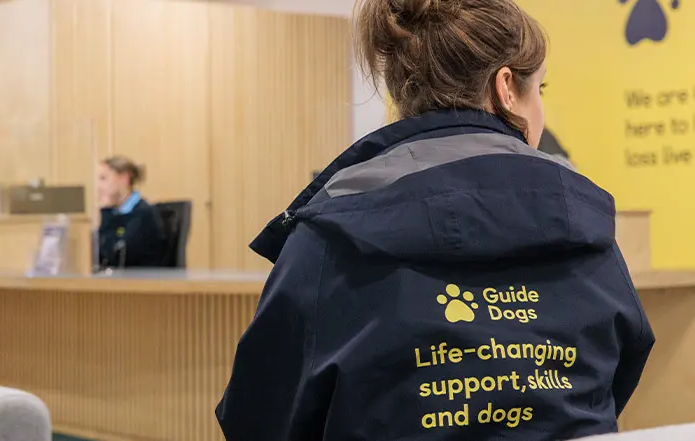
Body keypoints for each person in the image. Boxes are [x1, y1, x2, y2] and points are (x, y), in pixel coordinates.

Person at [216, 0, 654, 440]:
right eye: (540, 88)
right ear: (506, 88)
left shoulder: (327, 238)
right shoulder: (585, 223)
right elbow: (618, 374)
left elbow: (257, 416)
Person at [97, 156, 166, 268]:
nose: (98, 186)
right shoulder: (112, 213)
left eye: (103, 179)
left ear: (124, 178)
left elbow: (117, 256)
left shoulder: (144, 214)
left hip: (139, 281)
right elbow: (97, 255)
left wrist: (107, 215)